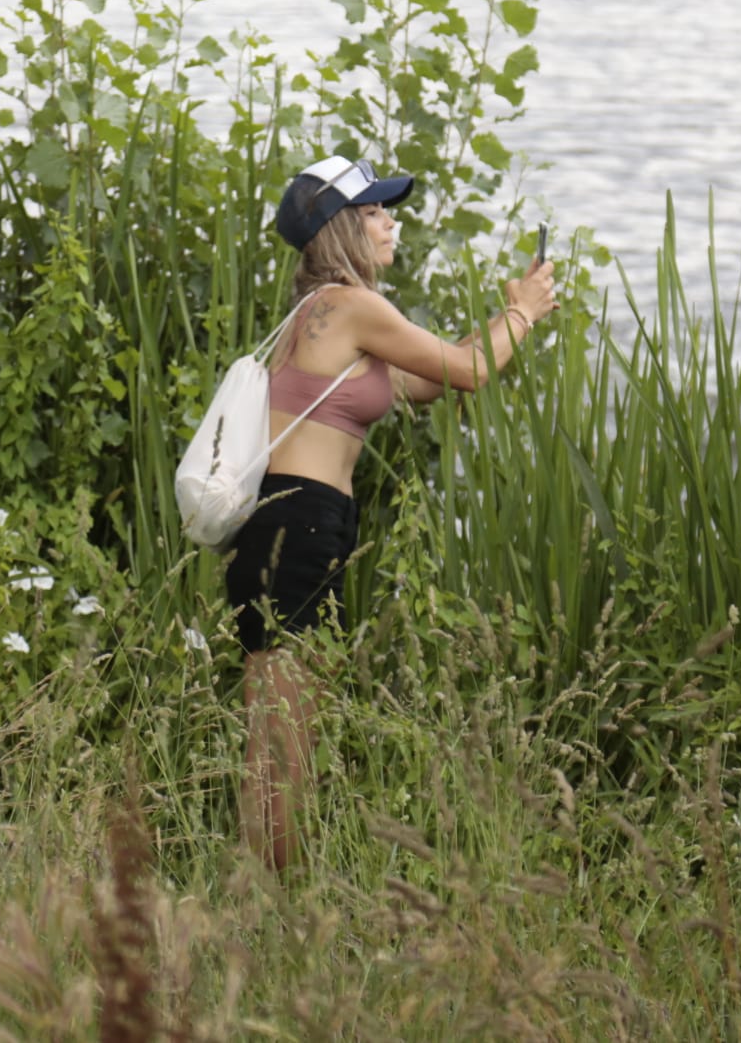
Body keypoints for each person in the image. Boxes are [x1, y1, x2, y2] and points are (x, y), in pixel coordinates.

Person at [227, 153, 557, 872]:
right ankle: (266, 906)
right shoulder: (352, 307)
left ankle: (255, 894)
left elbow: (433, 378)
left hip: (284, 525)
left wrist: (503, 322)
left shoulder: (317, 315)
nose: (390, 222)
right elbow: (471, 369)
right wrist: (523, 313)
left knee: (278, 732)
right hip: (301, 527)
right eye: (375, 211)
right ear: (341, 228)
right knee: (285, 741)